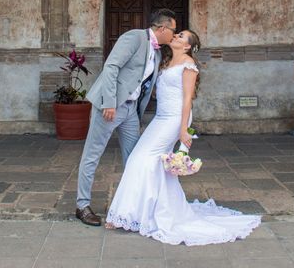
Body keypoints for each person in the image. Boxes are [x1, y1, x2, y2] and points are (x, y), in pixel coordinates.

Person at [105, 30, 262, 245]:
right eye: (176, 34)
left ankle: (128, 215)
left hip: (174, 120)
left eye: (181, 36)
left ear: (187, 46)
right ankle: (144, 212)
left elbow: (188, 99)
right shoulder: (166, 61)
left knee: (139, 159)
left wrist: (183, 130)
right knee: (149, 162)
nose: (176, 36)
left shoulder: (188, 65)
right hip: (160, 118)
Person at [76, 9, 178, 226]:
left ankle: (132, 206)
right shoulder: (134, 37)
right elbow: (111, 66)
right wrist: (109, 102)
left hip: (131, 110)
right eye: (172, 30)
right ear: (162, 28)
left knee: (133, 158)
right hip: (110, 107)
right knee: (93, 154)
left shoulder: (158, 52)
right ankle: (82, 205)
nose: (173, 35)